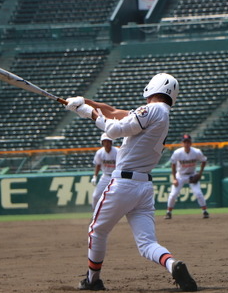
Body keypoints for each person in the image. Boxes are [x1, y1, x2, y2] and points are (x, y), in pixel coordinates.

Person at [65, 73, 198, 292]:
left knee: (96, 231)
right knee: (147, 244)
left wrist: (87, 112)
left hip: (123, 184)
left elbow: (114, 130)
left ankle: (93, 280)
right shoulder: (161, 113)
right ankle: (173, 265)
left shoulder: (153, 109)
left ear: (152, 88)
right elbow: (118, 113)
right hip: (143, 188)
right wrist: (87, 101)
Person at [165, 134, 209, 219]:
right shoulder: (177, 152)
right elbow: (173, 165)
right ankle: (168, 212)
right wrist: (174, 179)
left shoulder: (197, 152)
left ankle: (205, 211)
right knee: (173, 194)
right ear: (182, 143)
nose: (186, 144)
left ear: (191, 143)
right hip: (180, 176)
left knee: (198, 193)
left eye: (188, 142)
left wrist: (199, 174)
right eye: (185, 142)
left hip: (192, 175)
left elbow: (204, 161)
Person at [90, 133, 118, 211]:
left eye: (108, 141)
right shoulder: (100, 152)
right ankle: (95, 213)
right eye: (105, 141)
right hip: (105, 176)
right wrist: (95, 176)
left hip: (116, 177)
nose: (106, 143)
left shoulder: (117, 151)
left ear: (111, 142)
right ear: (102, 142)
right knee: (95, 196)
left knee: (117, 196)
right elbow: (98, 165)